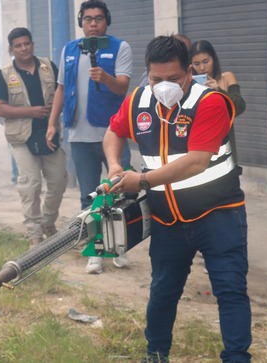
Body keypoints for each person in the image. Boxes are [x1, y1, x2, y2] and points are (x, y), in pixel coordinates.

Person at [104, 35, 250, 363]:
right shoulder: (139, 101)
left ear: (188, 73)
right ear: (147, 74)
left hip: (218, 214)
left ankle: (237, 357)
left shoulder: (211, 101)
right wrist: (115, 165)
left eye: (173, 79)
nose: (164, 86)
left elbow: (197, 160)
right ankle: (155, 354)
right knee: (163, 290)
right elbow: (114, 131)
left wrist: (139, 180)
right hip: (168, 219)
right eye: (157, 79)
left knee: (230, 290)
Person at [46, 0, 132, 274]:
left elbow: (122, 87)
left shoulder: (120, 47)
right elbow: (61, 89)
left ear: (107, 21)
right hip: (79, 137)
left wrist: (105, 78)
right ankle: (95, 252)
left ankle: (120, 248)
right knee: (88, 196)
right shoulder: (70, 50)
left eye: (98, 18)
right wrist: (53, 123)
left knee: (122, 195)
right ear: (81, 22)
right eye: (87, 19)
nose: (93, 23)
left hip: (112, 135)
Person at [0, 28, 68, 246]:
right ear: (11, 50)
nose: (24, 48)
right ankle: (34, 233)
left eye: (27, 43)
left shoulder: (48, 67)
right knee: (31, 184)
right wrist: (30, 112)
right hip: (22, 138)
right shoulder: (4, 75)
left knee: (58, 182)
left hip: (49, 134)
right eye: (18, 45)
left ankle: (48, 222)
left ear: (33, 44)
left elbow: (61, 93)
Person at [189, 40, 245, 165]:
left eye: (206, 62)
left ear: (214, 59)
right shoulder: (188, 84)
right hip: (198, 144)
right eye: (196, 64)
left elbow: (239, 106)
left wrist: (218, 90)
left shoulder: (227, 77)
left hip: (225, 141)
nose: (202, 68)